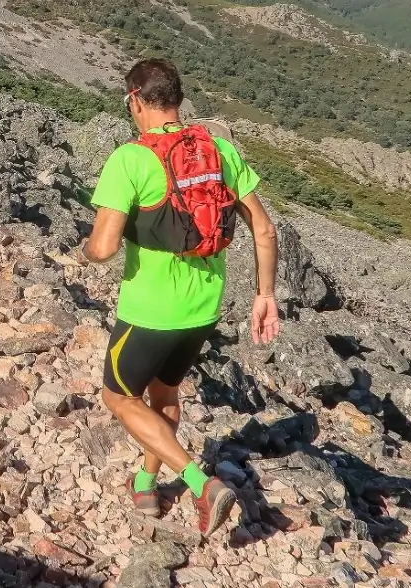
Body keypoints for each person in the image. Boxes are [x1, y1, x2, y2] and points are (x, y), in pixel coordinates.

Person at [79, 58, 280, 535]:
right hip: (204, 308)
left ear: (134, 100)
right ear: (177, 100)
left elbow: (104, 249)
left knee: (119, 397)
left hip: (149, 311)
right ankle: (146, 484)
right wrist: (264, 295)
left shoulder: (130, 159)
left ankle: (198, 481)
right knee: (164, 392)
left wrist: (86, 248)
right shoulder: (221, 151)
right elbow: (265, 229)